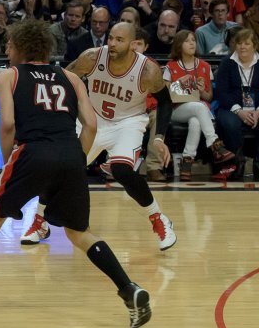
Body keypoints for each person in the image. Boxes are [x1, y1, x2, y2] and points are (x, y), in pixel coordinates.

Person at [0, 19, 152, 328]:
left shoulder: (9, 76)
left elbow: (7, 126)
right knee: (79, 233)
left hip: (32, 151)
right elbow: (92, 126)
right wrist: (77, 160)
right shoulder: (71, 77)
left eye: (10, 46)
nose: (8, 50)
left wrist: (8, 163)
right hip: (70, 152)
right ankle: (129, 289)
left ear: (19, 47)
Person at [21, 22, 177, 251]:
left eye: (119, 40)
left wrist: (159, 137)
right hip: (92, 119)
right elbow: (63, 78)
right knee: (59, 166)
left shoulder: (148, 71)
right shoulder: (92, 58)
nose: (112, 43)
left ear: (133, 45)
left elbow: (165, 102)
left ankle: (158, 219)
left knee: (122, 170)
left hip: (128, 122)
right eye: (111, 38)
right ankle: (40, 221)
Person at [164, 30, 235, 180]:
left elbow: (208, 97)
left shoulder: (205, 66)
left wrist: (202, 91)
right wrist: (179, 84)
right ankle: (215, 145)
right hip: (177, 109)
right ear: (178, 45)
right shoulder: (171, 66)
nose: (192, 43)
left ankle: (187, 163)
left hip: (198, 109)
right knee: (199, 107)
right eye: (187, 41)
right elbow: (165, 95)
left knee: (196, 120)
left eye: (193, 40)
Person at [214, 28, 259, 172]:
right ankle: (237, 162)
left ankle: (257, 162)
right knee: (230, 123)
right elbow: (222, 92)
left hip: (257, 108)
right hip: (231, 108)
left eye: (246, 43)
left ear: (255, 45)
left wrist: (258, 111)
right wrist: (239, 111)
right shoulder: (227, 63)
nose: (242, 47)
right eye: (239, 43)